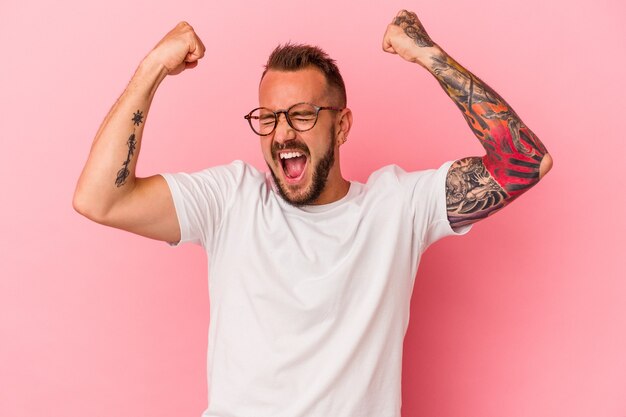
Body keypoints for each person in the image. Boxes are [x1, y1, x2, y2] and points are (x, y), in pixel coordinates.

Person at [73, 9, 553, 417]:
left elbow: (525, 162)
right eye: (268, 118)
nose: (282, 134)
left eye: (302, 114)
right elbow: (100, 199)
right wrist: (154, 65)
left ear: (341, 125)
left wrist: (427, 54)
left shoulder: (398, 208)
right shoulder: (229, 200)